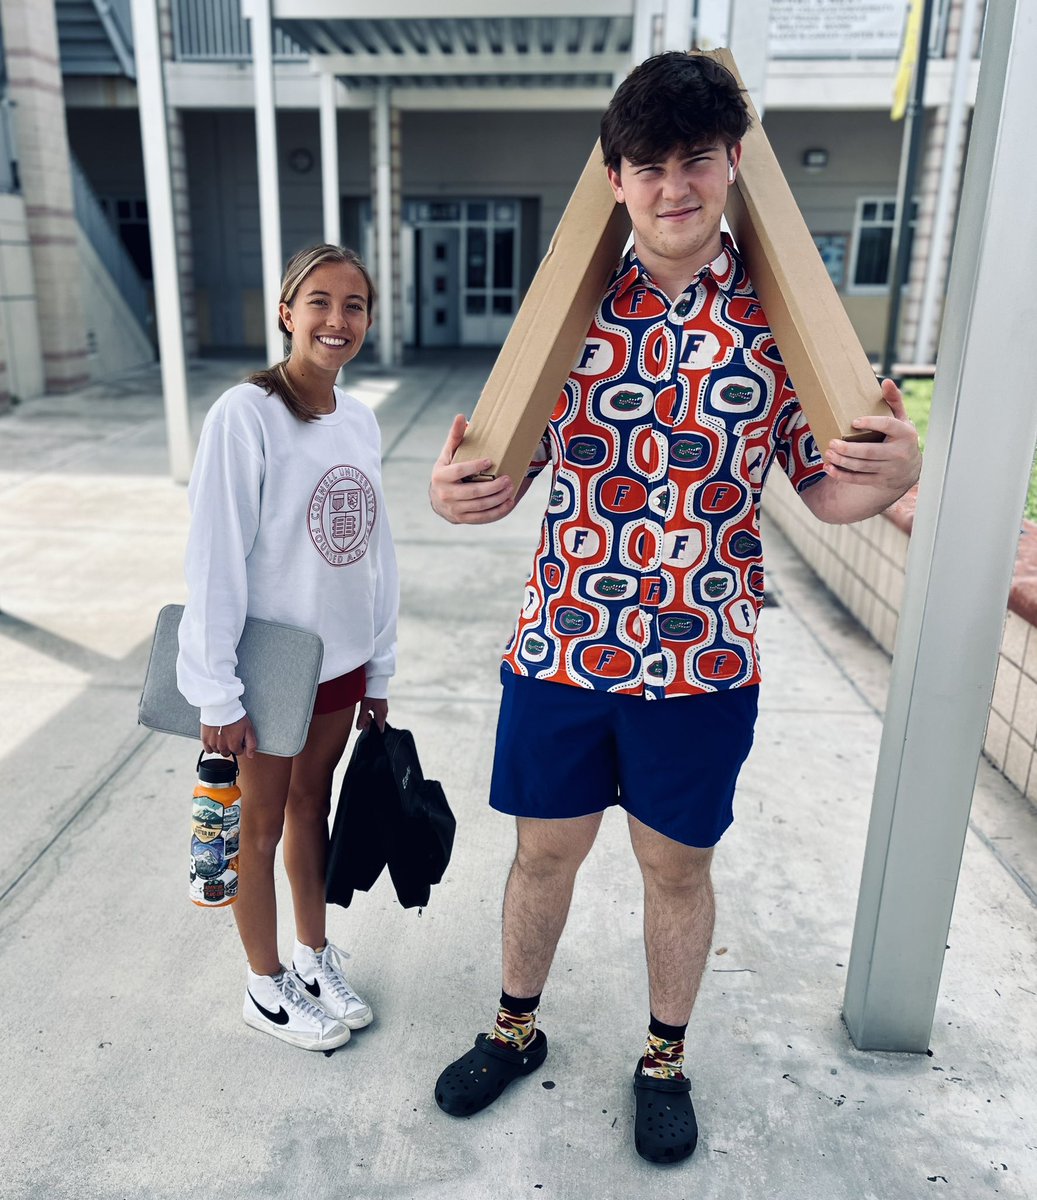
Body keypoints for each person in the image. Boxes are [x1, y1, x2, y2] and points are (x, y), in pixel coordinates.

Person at [427, 53, 921, 1163]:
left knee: (676, 870)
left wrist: (887, 478)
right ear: (614, 179)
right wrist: (454, 491)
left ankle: (663, 1058)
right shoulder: (568, 309)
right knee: (540, 856)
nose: (672, 187)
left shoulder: (780, 319)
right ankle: (513, 1030)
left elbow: (824, 483)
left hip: (699, 663)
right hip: (560, 646)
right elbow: (499, 465)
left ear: (730, 164)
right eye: (646, 166)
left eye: (693, 159)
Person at [177, 243, 399, 1052]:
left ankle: (313, 957)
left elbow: (374, 551)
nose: (336, 320)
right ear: (286, 312)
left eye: (353, 305)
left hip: (338, 666)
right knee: (258, 830)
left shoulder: (361, 417)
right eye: (319, 302)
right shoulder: (245, 415)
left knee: (316, 809)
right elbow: (214, 556)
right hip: (267, 671)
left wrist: (378, 663)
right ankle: (263, 984)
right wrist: (216, 693)